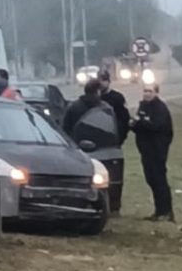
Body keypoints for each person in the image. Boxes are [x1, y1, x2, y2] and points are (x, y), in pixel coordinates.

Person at [63, 79, 124, 214]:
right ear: (97, 91)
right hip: (102, 148)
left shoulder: (74, 107)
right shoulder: (104, 108)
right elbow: (113, 130)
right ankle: (113, 207)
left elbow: (65, 129)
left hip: (79, 148)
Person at [131, 84, 174, 221]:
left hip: (157, 150)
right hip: (145, 150)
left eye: (150, 91)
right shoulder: (143, 106)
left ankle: (166, 212)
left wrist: (140, 123)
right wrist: (135, 124)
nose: (147, 94)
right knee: (151, 180)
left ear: (156, 93)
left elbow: (157, 126)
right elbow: (138, 125)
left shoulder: (160, 108)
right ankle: (158, 210)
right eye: (145, 91)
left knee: (159, 180)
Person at [97, 70, 131, 145]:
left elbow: (125, 118)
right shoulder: (95, 98)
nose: (101, 83)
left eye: (104, 80)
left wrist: (121, 136)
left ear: (109, 82)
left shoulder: (117, 97)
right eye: (99, 80)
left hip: (115, 134)